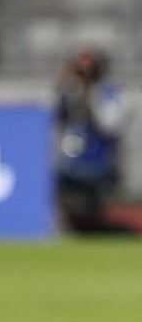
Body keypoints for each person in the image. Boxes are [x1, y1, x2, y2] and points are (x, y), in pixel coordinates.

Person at [55, 47, 135, 233]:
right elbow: (58, 118)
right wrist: (68, 88)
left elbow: (110, 125)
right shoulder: (71, 92)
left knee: (96, 211)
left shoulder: (111, 93)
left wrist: (91, 94)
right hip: (73, 161)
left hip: (101, 161)